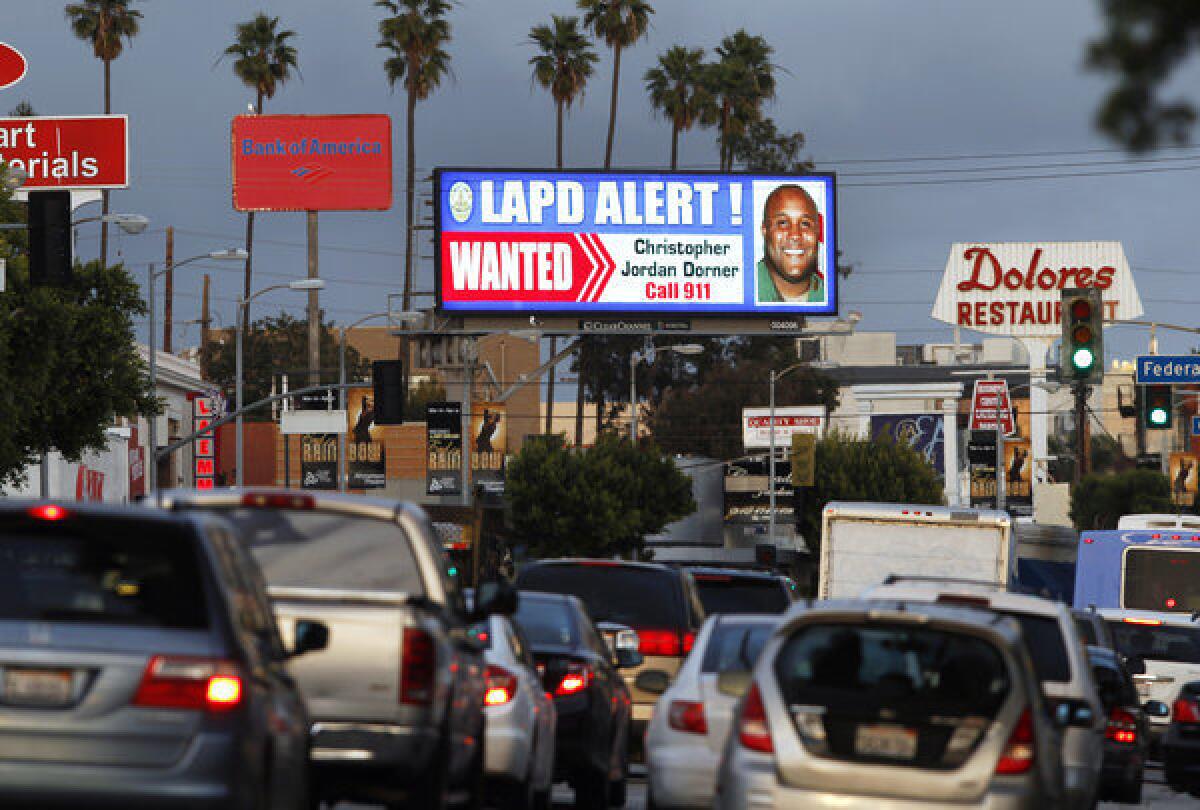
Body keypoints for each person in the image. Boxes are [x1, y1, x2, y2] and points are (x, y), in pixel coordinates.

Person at [756, 184, 825, 304]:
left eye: (805, 224)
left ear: (817, 232)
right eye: (782, 223)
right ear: (764, 230)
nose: (795, 235)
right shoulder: (739, 290)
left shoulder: (828, 294)